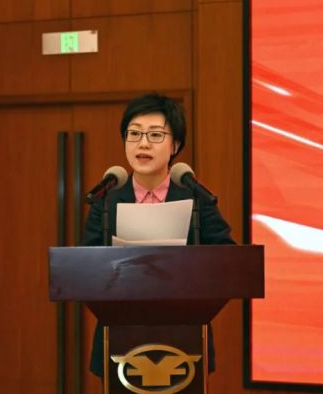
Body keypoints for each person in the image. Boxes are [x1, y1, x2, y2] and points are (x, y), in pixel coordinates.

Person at [83, 92, 235, 377]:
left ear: (175, 145)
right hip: (118, 340)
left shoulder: (196, 199)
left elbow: (227, 259)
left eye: (155, 134)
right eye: (134, 134)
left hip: (186, 341)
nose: (143, 143)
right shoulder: (107, 201)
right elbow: (83, 268)